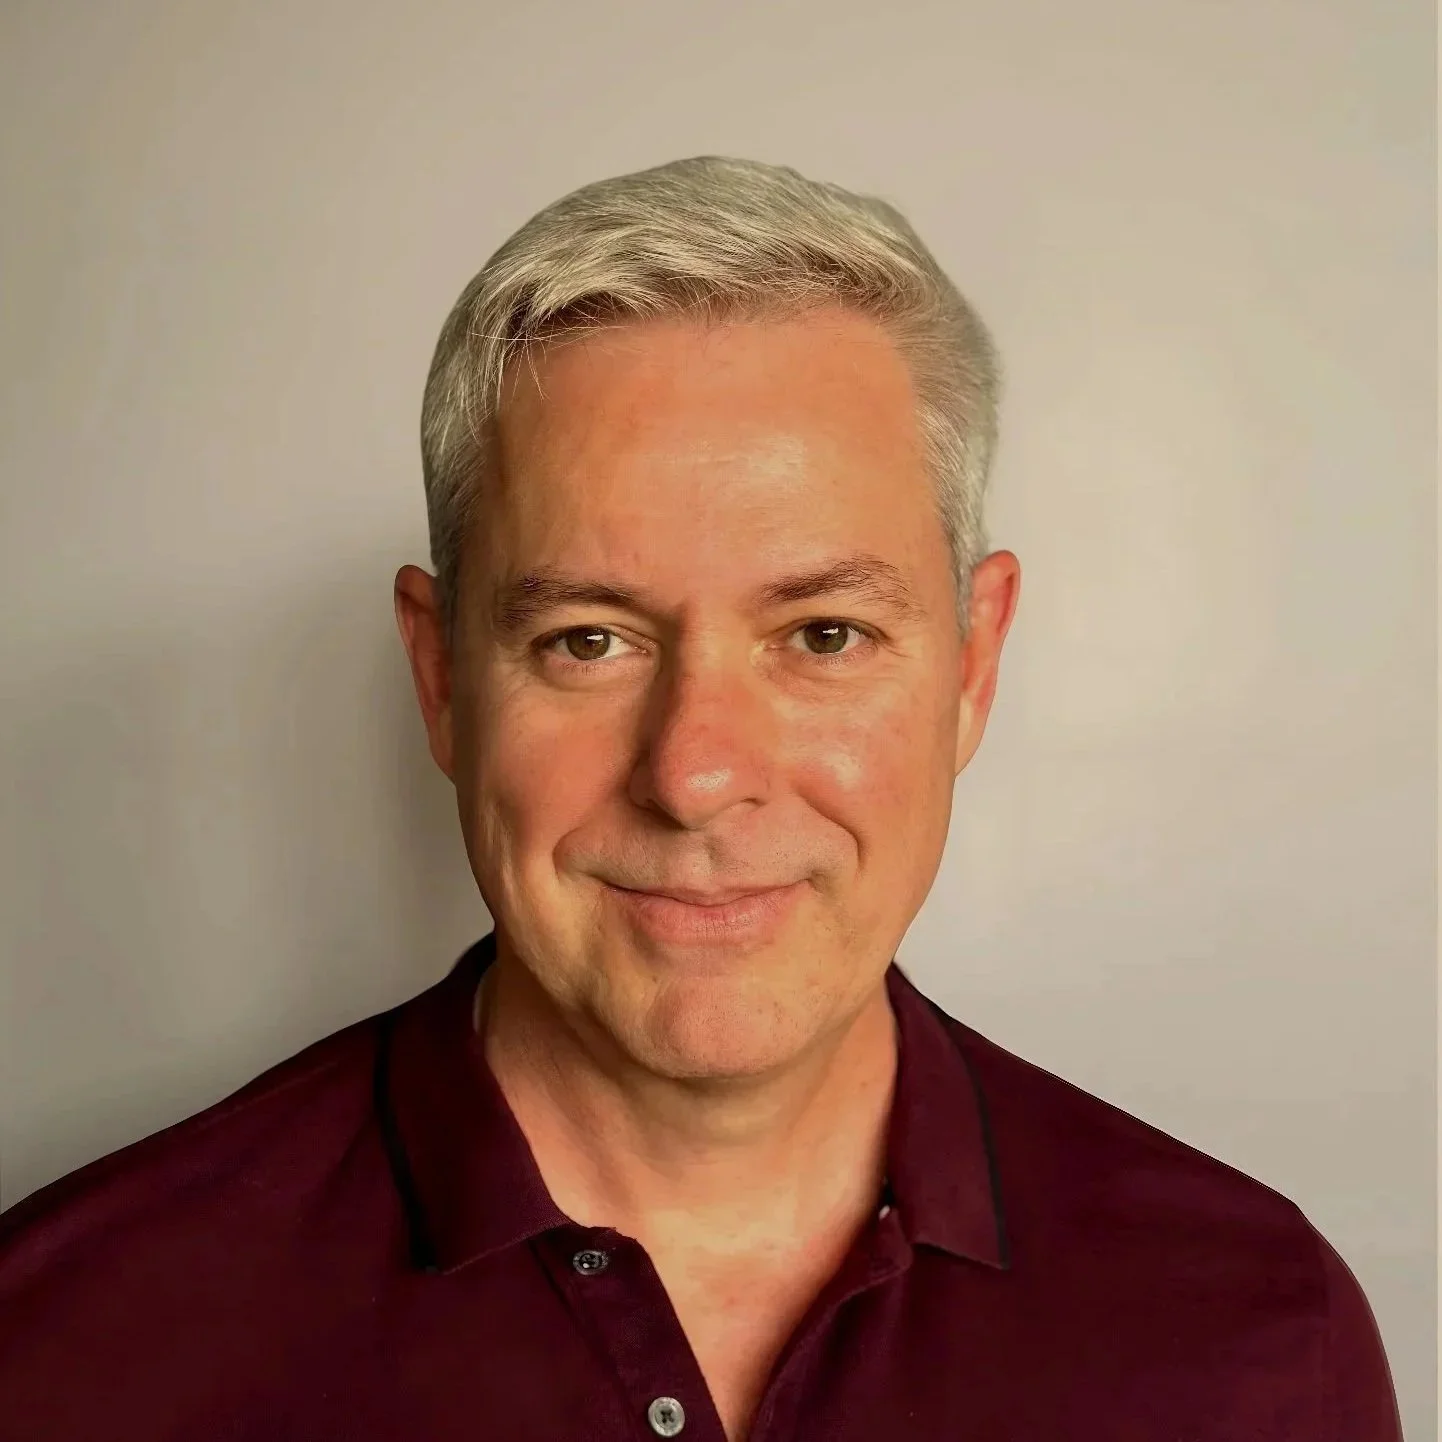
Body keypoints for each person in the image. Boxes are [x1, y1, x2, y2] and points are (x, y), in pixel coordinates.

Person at [0, 156, 1401, 1441]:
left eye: (823, 635)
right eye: (587, 640)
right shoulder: (67, 1344)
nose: (695, 771)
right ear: (438, 678)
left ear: (973, 666)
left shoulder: (1254, 1334)